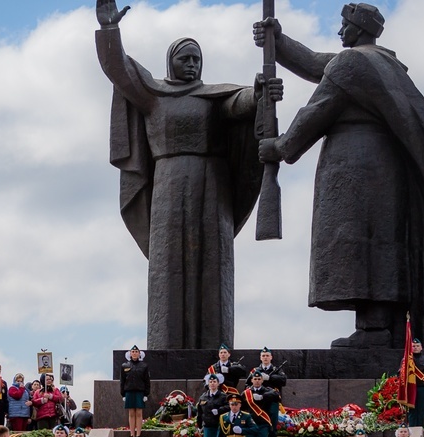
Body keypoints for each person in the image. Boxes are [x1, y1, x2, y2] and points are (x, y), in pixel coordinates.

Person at [254, 3, 424, 349]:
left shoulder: (353, 63)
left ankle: (373, 331)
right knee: (379, 243)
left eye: (344, 26)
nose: (340, 32)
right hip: (381, 168)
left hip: (356, 168)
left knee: (360, 245)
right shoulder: (379, 62)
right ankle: (391, 328)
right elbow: (315, 64)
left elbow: (318, 109)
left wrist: (280, 147)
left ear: (358, 28)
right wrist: (277, 41)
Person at [95, 0, 283, 350]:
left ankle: (216, 346)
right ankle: (165, 347)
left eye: (197, 59)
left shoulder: (213, 98)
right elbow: (119, 69)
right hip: (168, 185)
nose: (192, 65)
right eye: (186, 59)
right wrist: (109, 31)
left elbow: (237, 103)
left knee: (214, 266)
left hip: (213, 187)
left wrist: (259, 92)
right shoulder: (153, 96)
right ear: (171, 62)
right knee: (168, 267)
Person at [255, 347, 286, 437]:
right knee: (259, 427)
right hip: (259, 403)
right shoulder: (256, 370)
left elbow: (283, 380)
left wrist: (270, 377)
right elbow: (248, 383)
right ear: (260, 358)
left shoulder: (276, 370)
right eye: (263, 356)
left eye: (267, 355)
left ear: (271, 357)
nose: (265, 358)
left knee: (272, 428)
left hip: (272, 402)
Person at [120, 345, 151, 437]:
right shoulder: (125, 365)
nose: (134, 353)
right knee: (131, 413)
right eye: (133, 352)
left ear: (139, 354)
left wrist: (146, 394)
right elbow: (122, 381)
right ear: (130, 353)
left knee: (139, 413)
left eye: (136, 352)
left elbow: (147, 381)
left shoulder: (144, 366)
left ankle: (138, 434)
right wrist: (123, 394)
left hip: (139, 391)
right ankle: (132, 434)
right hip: (129, 391)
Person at [407, 339, 424, 427]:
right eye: (413, 346)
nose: (415, 348)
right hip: (411, 388)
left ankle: (419, 429)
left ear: (421, 347)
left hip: (422, 388)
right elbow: (400, 373)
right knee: (412, 409)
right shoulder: (407, 359)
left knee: (420, 409)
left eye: (417, 346)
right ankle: (411, 429)